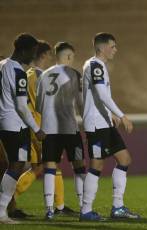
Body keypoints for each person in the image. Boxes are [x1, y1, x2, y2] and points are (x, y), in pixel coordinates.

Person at [80, 32, 140, 221]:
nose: (115, 49)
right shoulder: (95, 65)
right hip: (96, 125)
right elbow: (102, 95)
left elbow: (99, 96)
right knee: (96, 165)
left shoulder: (99, 66)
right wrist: (122, 116)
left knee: (124, 159)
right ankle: (86, 210)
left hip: (104, 121)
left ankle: (118, 208)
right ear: (103, 47)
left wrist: (110, 114)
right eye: (113, 46)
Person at [36, 42, 87, 219]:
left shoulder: (44, 75)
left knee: (50, 167)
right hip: (69, 128)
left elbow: (38, 105)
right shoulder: (74, 74)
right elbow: (80, 104)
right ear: (68, 56)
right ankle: (83, 208)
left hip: (49, 129)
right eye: (72, 57)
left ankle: (49, 209)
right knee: (79, 166)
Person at [0, 33, 46, 224]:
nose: (33, 57)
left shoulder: (2, 65)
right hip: (15, 124)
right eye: (33, 52)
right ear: (24, 50)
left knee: (12, 166)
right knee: (16, 166)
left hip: (3, 121)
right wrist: (36, 129)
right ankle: (2, 212)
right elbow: (21, 106)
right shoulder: (19, 73)